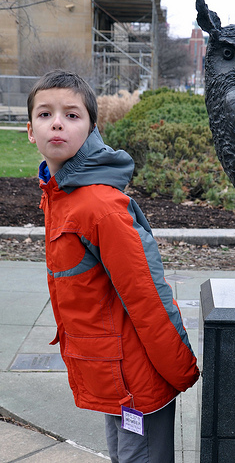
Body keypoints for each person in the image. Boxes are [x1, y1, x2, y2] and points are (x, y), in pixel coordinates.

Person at [27, 70, 199, 462]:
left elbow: (146, 294)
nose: (57, 122)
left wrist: (179, 368)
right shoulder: (60, 197)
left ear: (90, 130)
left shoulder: (100, 206)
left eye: (72, 115)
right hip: (109, 374)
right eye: (45, 114)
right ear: (30, 131)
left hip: (137, 380)